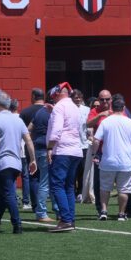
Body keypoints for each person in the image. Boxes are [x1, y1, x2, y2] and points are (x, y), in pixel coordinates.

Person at [0, 90, 37, 234]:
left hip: (3, 162)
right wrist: (33, 160)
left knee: (8, 194)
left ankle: (17, 224)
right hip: (16, 163)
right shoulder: (18, 120)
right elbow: (28, 140)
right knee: (4, 194)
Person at [93, 94, 131, 221]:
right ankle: (121, 213)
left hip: (108, 161)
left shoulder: (105, 121)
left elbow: (96, 140)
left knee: (105, 188)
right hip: (126, 161)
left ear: (112, 107)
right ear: (123, 108)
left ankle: (104, 211)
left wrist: (94, 154)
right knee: (124, 189)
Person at [46, 82, 84, 232]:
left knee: (57, 185)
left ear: (56, 94)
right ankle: (70, 219)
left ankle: (66, 219)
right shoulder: (75, 107)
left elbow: (56, 130)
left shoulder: (59, 107)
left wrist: (49, 147)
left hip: (62, 150)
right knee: (69, 186)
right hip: (76, 150)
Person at [26, 94, 53, 222]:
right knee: (45, 183)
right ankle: (41, 212)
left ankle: (50, 210)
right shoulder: (51, 112)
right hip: (47, 149)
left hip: (38, 148)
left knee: (42, 181)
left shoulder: (39, 112)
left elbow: (29, 129)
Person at [87, 89, 113, 215]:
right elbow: (88, 124)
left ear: (111, 99)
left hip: (114, 149)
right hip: (100, 151)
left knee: (120, 179)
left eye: (107, 99)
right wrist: (100, 115)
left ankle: (126, 209)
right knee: (98, 180)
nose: (105, 102)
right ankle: (100, 208)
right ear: (98, 100)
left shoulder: (117, 109)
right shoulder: (95, 111)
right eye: (102, 99)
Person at [71, 89, 92, 203]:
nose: (78, 99)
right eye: (76, 97)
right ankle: (72, 191)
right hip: (73, 144)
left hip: (84, 144)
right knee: (73, 169)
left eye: (79, 97)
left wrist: (90, 135)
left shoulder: (86, 109)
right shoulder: (69, 109)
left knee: (82, 169)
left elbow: (89, 125)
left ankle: (80, 192)